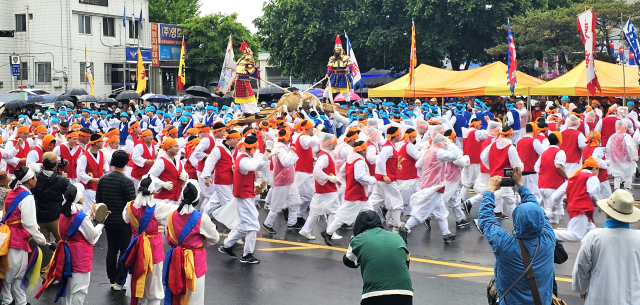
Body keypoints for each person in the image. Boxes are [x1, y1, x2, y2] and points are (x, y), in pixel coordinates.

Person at [478, 168, 555, 304]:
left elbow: (486, 220)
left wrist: (490, 190)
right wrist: (520, 184)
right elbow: (537, 208)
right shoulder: (548, 238)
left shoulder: (506, 245)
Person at [35, 183, 105, 305]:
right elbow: (92, 237)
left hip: (65, 255)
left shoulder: (63, 213)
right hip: (80, 256)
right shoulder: (80, 217)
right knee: (79, 290)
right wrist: (100, 226)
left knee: (66, 288)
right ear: (79, 198)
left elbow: (78, 223)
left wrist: (89, 213)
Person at [572, 189, 640, 304]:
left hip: (599, 298)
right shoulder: (638, 237)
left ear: (607, 212)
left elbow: (581, 268)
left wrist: (582, 289)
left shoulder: (594, 237)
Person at [121, 176, 177, 305]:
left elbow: (125, 219)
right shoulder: (157, 207)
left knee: (136, 275)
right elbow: (175, 211)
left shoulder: (129, 206)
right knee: (154, 280)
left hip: (135, 247)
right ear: (153, 192)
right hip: (153, 248)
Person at [0, 165, 51, 305]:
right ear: (29, 180)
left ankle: (17, 300)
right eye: (35, 177)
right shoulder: (27, 197)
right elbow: (29, 223)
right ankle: (9, 301)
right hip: (16, 238)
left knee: (9, 272)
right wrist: (40, 239)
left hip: (6, 236)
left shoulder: (12, 192)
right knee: (15, 273)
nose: (36, 179)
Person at [164, 180, 219, 305]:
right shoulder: (201, 218)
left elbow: (168, 237)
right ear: (196, 200)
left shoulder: (171, 216)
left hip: (175, 259)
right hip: (195, 261)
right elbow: (214, 238)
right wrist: (202, 243)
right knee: (194, 296)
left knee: (175, 292)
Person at [219, 135, 272, 264]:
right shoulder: (244, 160)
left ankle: (227, 245)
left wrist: (256, 185)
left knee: (244, 225)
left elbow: (255, 168)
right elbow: (254, 166)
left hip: (246, 194)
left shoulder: (246, 158)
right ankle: (247, 254)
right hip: (244, 196)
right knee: (253, 225)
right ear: (253, 149)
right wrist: (267, 154)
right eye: (257, 148)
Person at [399, 134, 459, 244]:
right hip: (434, 187)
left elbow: (418, 164)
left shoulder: (428, 151)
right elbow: (455, 156)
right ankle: (405, 228)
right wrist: (450, 143)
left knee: (441, 212)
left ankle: (446, 234)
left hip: (430, 185)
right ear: (442, 143)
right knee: (421, 212)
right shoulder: (439, 152)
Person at [343, 210, 412, 305]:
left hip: (375, 294)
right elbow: (406, 263)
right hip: (404, 293)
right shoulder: (397, 238)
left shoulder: (358, 239)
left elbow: (348, 261)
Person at [95, 150, 136, 290]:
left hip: (108, 220)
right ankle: (119, 280)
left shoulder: (103, 179)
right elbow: (131, 204)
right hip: (123, 222)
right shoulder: (127, 182)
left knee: (112, 249)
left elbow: (99, 202)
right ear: (126, 163)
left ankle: (112, 278)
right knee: (124, 250)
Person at [323, 141, 376, 246]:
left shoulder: (350, 159)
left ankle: (370, 236)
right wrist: (372, 180)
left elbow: (342, 172)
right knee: (343, 216)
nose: (366, 152)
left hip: (358, 193)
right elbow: (359, 176)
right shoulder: (359, 161)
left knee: (370, 214)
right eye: (365, 150)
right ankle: (327, 233)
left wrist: (341, 180)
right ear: (362, 151)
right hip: (356, 194)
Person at [31, 152, 71, 278]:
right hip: (56, 216)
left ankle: (45, 274)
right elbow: (70, 194)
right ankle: (62, 269)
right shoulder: (60, 179)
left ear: (42, 164)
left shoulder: (35, 178)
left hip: (40, 216)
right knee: (63, 243)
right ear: (55, 165)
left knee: (44, 246)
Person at [300, 132, 340, 240]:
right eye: (334, 143)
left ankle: (306, 230)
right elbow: (316, 171)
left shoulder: (325, 155)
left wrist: (334, 179)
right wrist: (328, 178)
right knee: (334, 210)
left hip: (324, 187)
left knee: (316, 211)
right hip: (326, 187)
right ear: (329, 144)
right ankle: (330, 232)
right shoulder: (324, 156)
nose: (336, 145)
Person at [550, 157, 600, 242]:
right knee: (576, 236)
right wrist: (598, 203)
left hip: (574, 208)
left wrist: (553, 208)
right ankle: (548, 233)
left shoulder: (573, 178)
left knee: (592, 233)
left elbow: (555, 196)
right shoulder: (591, 177)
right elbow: (592, 192)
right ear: (594, 168)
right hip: (583, 209)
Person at [262, 129, 299, 233]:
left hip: (289, 180)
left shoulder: (283, 148)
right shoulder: (280, 149)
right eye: (288, 137)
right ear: (286, 137)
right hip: (282, 181)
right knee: (276, 206)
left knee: (295, 202)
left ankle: (292, 222)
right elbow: (285, 163)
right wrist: (292, 152)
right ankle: (267, 223)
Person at [202, 130, 241, 214]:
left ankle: (203, 216)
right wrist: (207, 176)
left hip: (231, 180)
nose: (238, 142)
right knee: (229, 204)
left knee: (215, 201)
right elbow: (210, 162)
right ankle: (232, 225)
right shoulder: (218, 149)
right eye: (237, 140)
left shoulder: (235, 149)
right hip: (222, 182)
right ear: (231, 139)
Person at [535, 132, 568, 228]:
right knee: (555, 213)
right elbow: (558, 166)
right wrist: (566, 177)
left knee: (549, 209)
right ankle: (553, 237)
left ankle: (545, 231)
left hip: (542, 185)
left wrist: (545, 173)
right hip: (554, 185)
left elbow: (536, 167)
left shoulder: (544, 153)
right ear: (559, 140)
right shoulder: (560, 152)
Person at [77, 133, 109, 213]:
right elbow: (80, 173)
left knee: (99, 208)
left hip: (100, 187)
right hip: (88, 188)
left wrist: (106, 175)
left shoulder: (102, 154)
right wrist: (92, 179)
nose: (103, 143)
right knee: (89, 210)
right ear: (96, 143)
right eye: (102, 141)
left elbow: (106, 166)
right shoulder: (84, 157)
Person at [606, 120, 637, 190]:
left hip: (615, 160)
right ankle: (627, 190)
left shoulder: (612, 137)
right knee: (628, 175)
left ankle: (617, 190)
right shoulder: (627, 137)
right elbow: (631, 147)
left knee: (617, 175)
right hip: (626, 160)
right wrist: (634, 157)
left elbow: (608, 148)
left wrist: (609, 157)